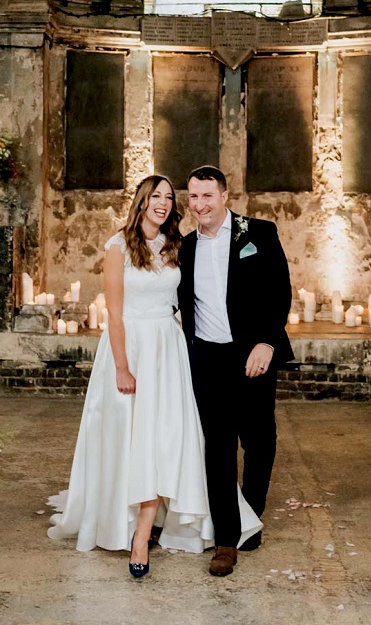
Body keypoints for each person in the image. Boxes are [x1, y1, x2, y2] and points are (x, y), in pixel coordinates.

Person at [50, 175, 257, 576]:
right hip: (130, 350)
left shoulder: (177, 244)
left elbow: (189, 299)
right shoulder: (117, 246)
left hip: (169, 351)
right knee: (133, 439)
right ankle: (132, 528)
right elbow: (114, 312)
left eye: (168, 197)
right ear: (141, 201)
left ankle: (151, 526)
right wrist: (124, 366)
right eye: (155, 196)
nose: (163, 203)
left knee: (170, 438)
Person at [178, 166, 292, 576]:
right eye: (193, 197)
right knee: (218, 448)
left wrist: (267, 342)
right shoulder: (186, 246)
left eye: (208, 196)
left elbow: (281, 292)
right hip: (208, 358)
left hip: (252, 354)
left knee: (260, 440)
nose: (200, 205)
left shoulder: (259, 233)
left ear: (225, 196)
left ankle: (251, 513)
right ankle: (227, 538)